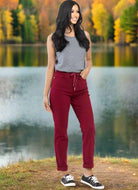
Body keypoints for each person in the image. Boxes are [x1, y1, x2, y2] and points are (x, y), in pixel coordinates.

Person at [43, 0, 104, 189]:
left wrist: (87, 70)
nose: (76, 15)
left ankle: (88, 174)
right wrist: (45, 95)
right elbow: (51, 66)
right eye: (72, 11)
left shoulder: (84, 35)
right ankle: (64, 173)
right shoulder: (53, 38)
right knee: (61, 131)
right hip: (60, 86)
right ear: (65, 14)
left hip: (81, 87)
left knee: (89, 128)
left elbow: (89, 60)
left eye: (77, 11)